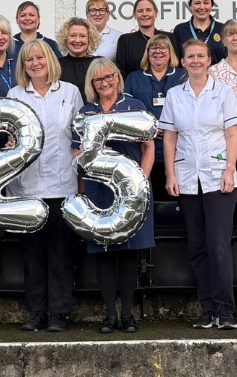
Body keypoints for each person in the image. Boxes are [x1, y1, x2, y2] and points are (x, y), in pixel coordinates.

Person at [162, 40, 237, 330]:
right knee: (197, 245)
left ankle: (225, 309)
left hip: (219, 176)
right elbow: (169, 137)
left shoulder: (223, 92)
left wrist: (230, 169)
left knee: (218, 243)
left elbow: (232, 135)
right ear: (182, 61)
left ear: (209, 60)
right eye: (190, 56)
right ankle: (208, 309)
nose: (195, 60)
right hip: (186, 178)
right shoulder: (174, 94)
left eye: (200, 56)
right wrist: (170, 174)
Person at [7, 39, 83, 332]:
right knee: (32, 253)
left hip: (62, 183)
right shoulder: (15, 94)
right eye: (29, 60)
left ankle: (58, 313)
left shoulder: (70, 92)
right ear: (23, 66)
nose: (35, 63)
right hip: (27, 187)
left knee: (60, 252)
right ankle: (36, 312)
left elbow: (78, 136)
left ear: (49, 60)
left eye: (40, 58)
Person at [76, 58, 155, 334]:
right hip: (98, 189)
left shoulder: (135, 106)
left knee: (130, 253)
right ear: (92, 84)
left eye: (109, 76)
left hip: (131, 190)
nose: (105, 82)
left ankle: (129, 314)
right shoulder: (86, 112)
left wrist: (141, 181)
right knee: (104, 252)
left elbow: (149, 148)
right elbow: (77, 153)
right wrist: (82, 187)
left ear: (117, 77)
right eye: (98, 79)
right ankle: (109, 314)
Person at [124, 34, 184, 119]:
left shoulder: (183, 76)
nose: (158, 51)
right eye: (153, 48)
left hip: (175, 130)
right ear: (147, 52)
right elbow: (127, 109)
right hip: (143, 129)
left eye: (163, 48)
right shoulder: (133, 78)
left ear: (170, 52)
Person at [115, 0, 173, 78]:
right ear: (135, 15)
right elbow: (121, 73)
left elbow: (176, 68)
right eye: (140, 11)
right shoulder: (125, 40)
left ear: (155, 13)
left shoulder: (170, 38)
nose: (145, 14)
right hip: (134, 89)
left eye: (148, 10)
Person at [171, 0, 226, 65]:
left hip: (218, 76)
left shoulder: (223, 29)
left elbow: (229, 58)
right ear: (190, 5)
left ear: (212, 5)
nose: (202, 7)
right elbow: (176, 61)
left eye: (206, 3)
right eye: (197, 3)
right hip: (188, 76)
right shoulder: (180, 30)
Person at [57, 17, 102, 102]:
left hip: (94, 113)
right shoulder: (56, 65)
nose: (77, 40)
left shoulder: (98, 63)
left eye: (82, 36)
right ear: (65, 38)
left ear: (90, 39)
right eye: (73, 35)